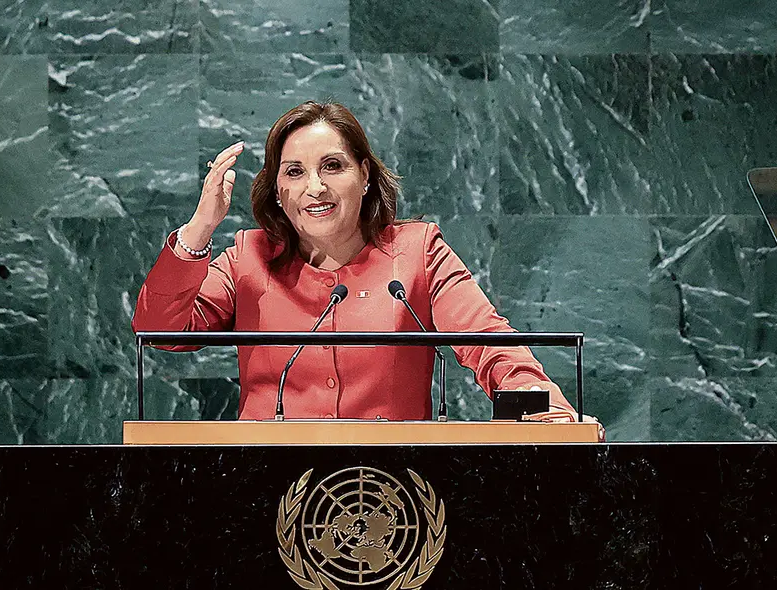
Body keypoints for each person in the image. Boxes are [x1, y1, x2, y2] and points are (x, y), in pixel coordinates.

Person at [132, 101, 579, 421]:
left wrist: (547, 410)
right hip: (266, 491)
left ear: (364, 175)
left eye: (332, 166)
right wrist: (199, 228)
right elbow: (159, 332)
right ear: (278, 193)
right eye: (294, 172)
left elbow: (489, 342)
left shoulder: (417, 252)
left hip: (396, 499)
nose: (315, 187)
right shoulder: (247, 259)